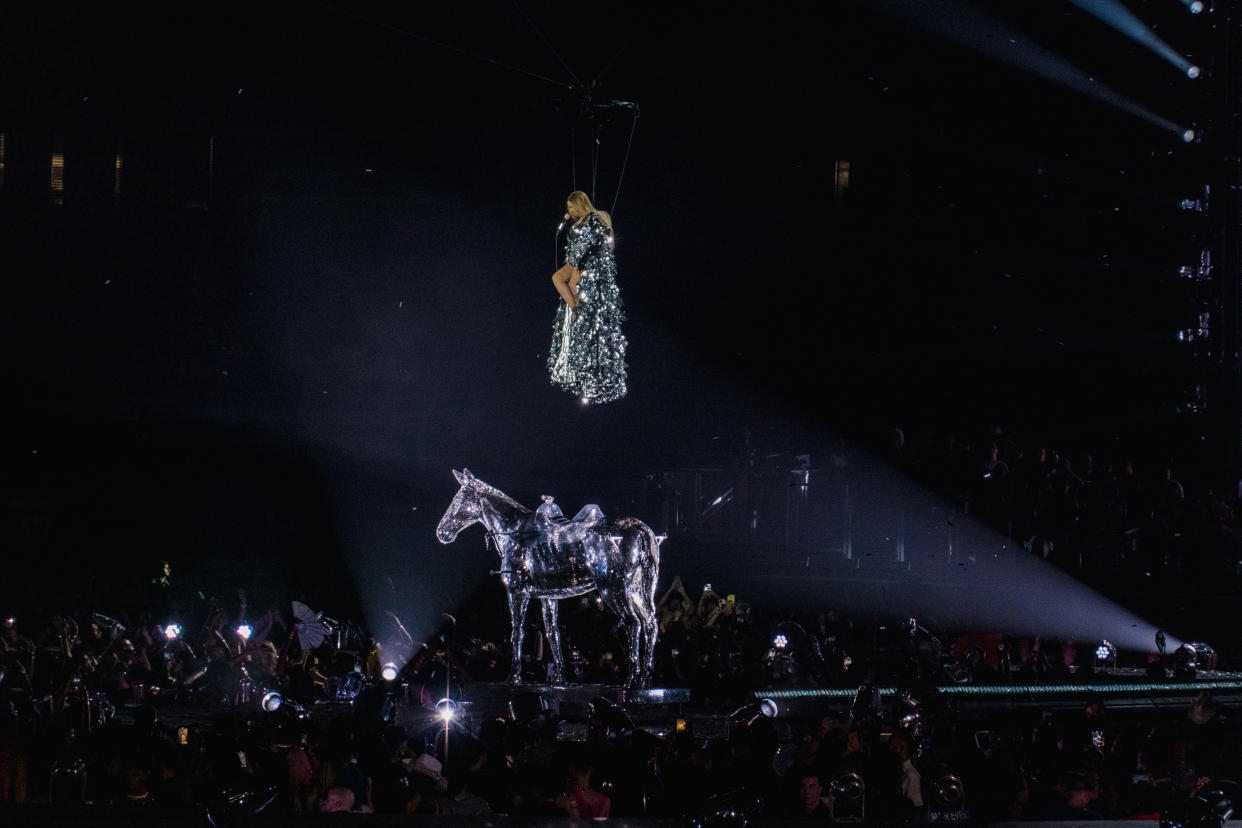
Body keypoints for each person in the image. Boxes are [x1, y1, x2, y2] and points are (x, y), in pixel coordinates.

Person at [547, 190, 628, 404]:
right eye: (568, 207)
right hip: (573, 260)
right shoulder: (577, 222)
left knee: (573, 284)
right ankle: (573, 308)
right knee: (557, 278)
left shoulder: (592, 218)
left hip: (583, 261)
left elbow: (602, 240)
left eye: (572, 206)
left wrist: (585, 264)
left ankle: (577, 312)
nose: (569, 210)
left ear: (580, 204)